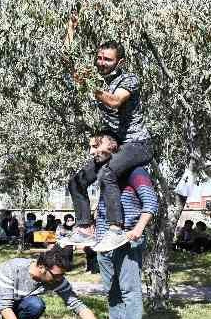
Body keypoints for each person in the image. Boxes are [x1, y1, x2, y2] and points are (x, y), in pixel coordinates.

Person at [64, 13, 153, 250]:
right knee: (76, 183)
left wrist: (89, 85)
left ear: (119, 63)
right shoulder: (97, 77)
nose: (102, 63)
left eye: (108, 60)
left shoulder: (130, 80)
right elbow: (68, 60)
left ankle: (116, 228)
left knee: (109, 174)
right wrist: (71, 30)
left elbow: (114, 102)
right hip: (117, 145)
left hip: (138, 145)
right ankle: (84, 228)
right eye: (99, 58)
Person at [87, 132, 158, 319]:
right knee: (111, 290)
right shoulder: (105, 174)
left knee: (129, 290)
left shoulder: (135, 171)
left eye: (95, 147)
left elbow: (151, 203)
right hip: (103, 242)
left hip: (127, 240)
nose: (91, 152)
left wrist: (137, 229)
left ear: (112, 147)